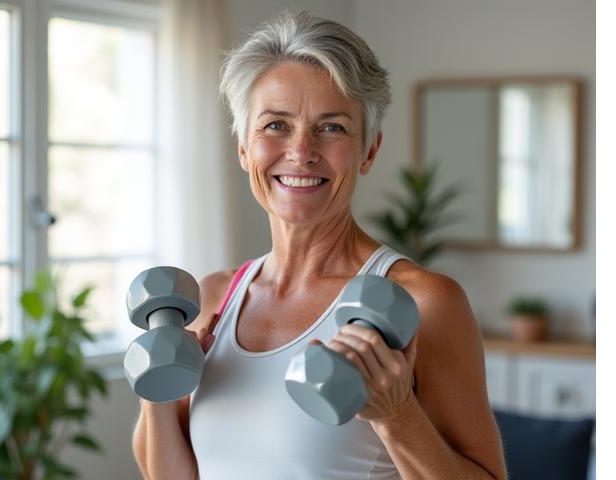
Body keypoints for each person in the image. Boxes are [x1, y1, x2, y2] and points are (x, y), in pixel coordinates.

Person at [132, 11, 507, 480]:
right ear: (243, 148)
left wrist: (397, 415)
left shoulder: (424, 302)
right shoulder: (212, 299)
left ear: (368, 151)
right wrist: (158, 396)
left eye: (332, 127)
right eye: (275, 125)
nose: (301, 150)